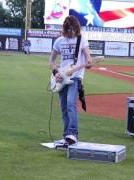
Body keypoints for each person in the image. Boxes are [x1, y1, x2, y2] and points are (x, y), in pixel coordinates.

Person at [49, 15, 92, 145]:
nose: (71, 32)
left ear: (77, 28)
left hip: (76, 77)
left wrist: (89, 62)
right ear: (64, 29)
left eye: (73, 29)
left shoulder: (82, 39)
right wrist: (56, 72)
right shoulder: (59, 41)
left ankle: (73, 134)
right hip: (61, 78)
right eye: (68, 29)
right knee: (63, 107)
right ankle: (66, 135)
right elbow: (51, 61)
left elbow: (88, 59)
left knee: (71, 104)